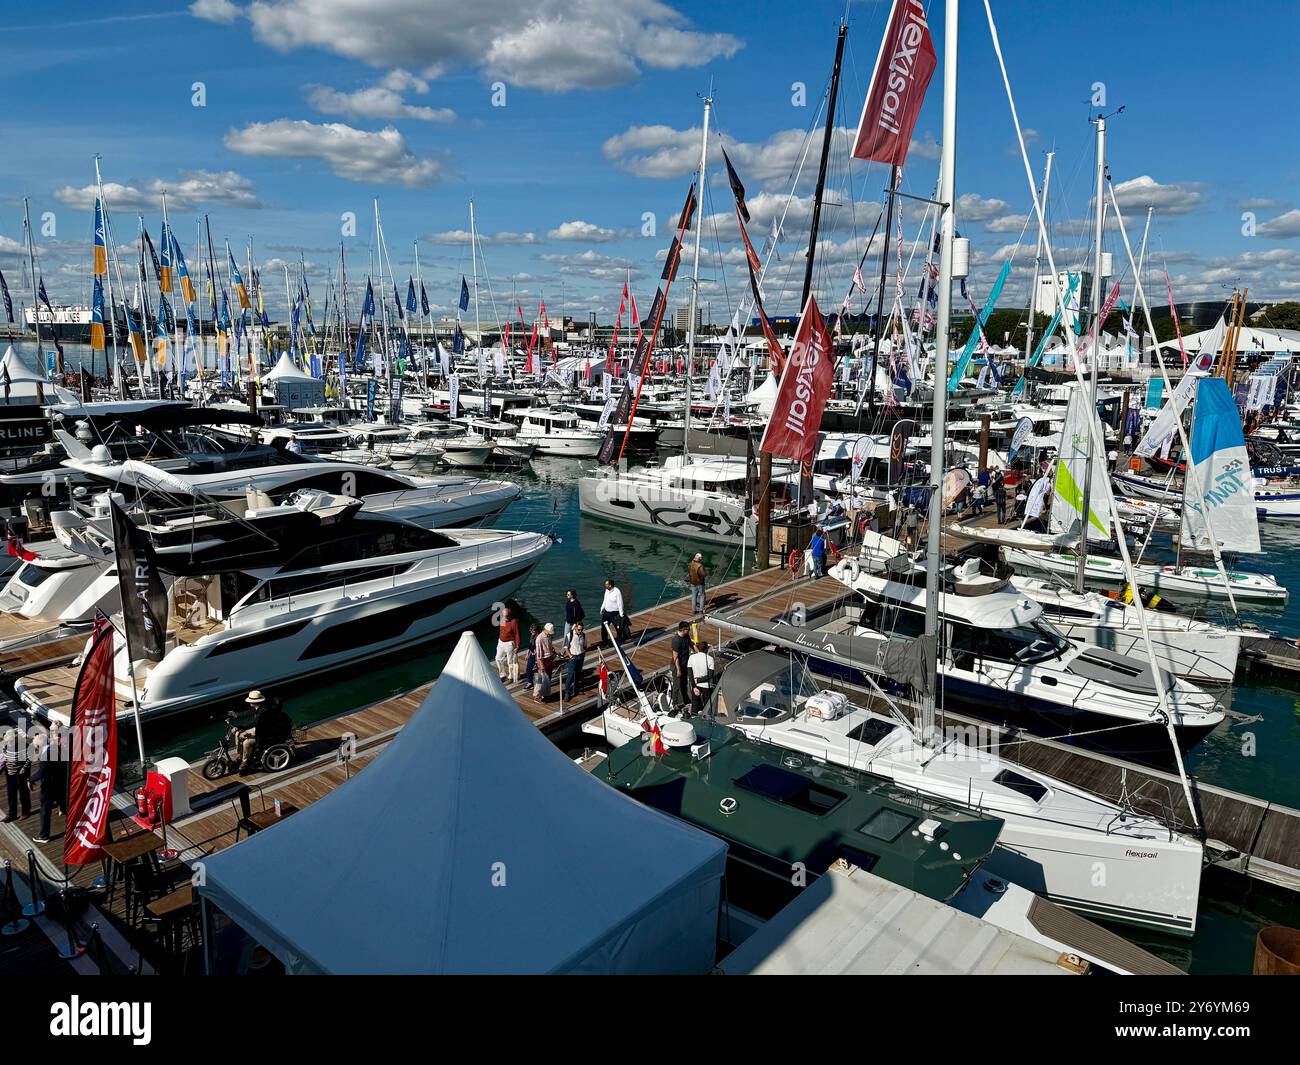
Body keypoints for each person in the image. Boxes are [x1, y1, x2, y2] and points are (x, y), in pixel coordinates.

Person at [238, 691, 293, 772]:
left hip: (265, 735)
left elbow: (257, 723)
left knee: (247, 742)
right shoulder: (266, 709)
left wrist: (242, 727)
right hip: (262, 731)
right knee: (240, 735)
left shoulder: (265, 711)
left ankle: (244, 762)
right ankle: (241, 755)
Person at [30, 726, 66, 844]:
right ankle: (74, 828)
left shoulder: (46, 754)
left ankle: (43, 835)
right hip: (61, 783)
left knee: (45, 810)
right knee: (65, 806)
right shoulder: (57, 748)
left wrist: (30, 779)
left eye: (36, 748)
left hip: (49, 786)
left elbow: (42, 772)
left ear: (39, 746)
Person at [0, 728, 31, 823]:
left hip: (21, 773)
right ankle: (11, 814)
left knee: (23, 794)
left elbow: (29, 758)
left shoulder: (24, 746)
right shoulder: (5, 745)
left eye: (10, 741)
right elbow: (4, 757)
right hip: (9, 773)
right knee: (11, 794)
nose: (8, 743)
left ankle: (25, 812)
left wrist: (24, 768)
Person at [687, 640, 716, 714]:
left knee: (695, 707)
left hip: (695, 685)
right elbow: (710, 675)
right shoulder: (710, 659)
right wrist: (699, 680)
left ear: (698, 648)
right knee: (707, 707)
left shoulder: (691, 657)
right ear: (706, 649)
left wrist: (694, 686)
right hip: (706, 686)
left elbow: (690, 674)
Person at [495, 607, 521, 684]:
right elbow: (501, 629)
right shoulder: (502, 619)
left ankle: (511, 677)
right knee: (498, 658)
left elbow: (517, 634)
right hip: (501, 642)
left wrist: (517, 646)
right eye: (504, 616)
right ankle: (502, 675)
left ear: (510, 615)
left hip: (510, 644)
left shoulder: (514, 622)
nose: (505, 618)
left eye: (507, 616)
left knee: (510, 661)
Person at [670, 620, 692, 707]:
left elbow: (691, 644)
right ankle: (674, 703)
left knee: (684, 684)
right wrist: (679, 670)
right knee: (677, 685)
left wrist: (699, 653)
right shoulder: (676, 640)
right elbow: (675, 657)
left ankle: (686, 699)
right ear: (683, 630)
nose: (689, 631)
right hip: (677, 666)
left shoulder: (686, 636)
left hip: (685, 664)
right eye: (688, 629)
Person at [563, 622, 587, 699]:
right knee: (570, 676)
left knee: (578, 674)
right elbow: (566, 647)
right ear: (575, 628)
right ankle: (567, 693)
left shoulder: (583, 635)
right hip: (573, 657)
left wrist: (583, 653)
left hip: (581, 656)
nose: (580, 631)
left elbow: (585, 645)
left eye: (582, 629)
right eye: (579, 629)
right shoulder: (570, 635)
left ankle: (576, 690)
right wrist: (570, 655)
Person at [534, 622, 557, 700]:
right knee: (541, 679)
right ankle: (537, 695)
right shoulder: (539, 638)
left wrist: (553, 653)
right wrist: (541, 665)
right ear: (545, 630)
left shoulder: (549, 636)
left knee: (548, 678)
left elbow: (550, 646)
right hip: (543, 660)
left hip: (549, 658)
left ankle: (545, 694)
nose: (550, 634)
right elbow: (539, 654)